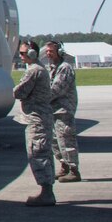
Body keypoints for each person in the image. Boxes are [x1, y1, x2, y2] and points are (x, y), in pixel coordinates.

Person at [12, 42, 58, 205]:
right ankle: (47, 191)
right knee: (44, 153)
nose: (21, 56)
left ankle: (46, 193)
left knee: (37, 154)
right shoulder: (39, 69)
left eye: (23, 53)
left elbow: (19, 92)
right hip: (41, 118)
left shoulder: (34, 71)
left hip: (36, 120)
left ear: (32, 53)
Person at [46, 40, 80, 182]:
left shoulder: (65, 68)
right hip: (53, 110)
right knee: (56, 142)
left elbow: (56, 89)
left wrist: (38, 98)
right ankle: (64, 166)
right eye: (47, 51)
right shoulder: (52, 68)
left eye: (51, 51)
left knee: (66, 140)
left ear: (59, 52)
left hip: (63, 110)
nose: (48, 54)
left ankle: (74, 170)